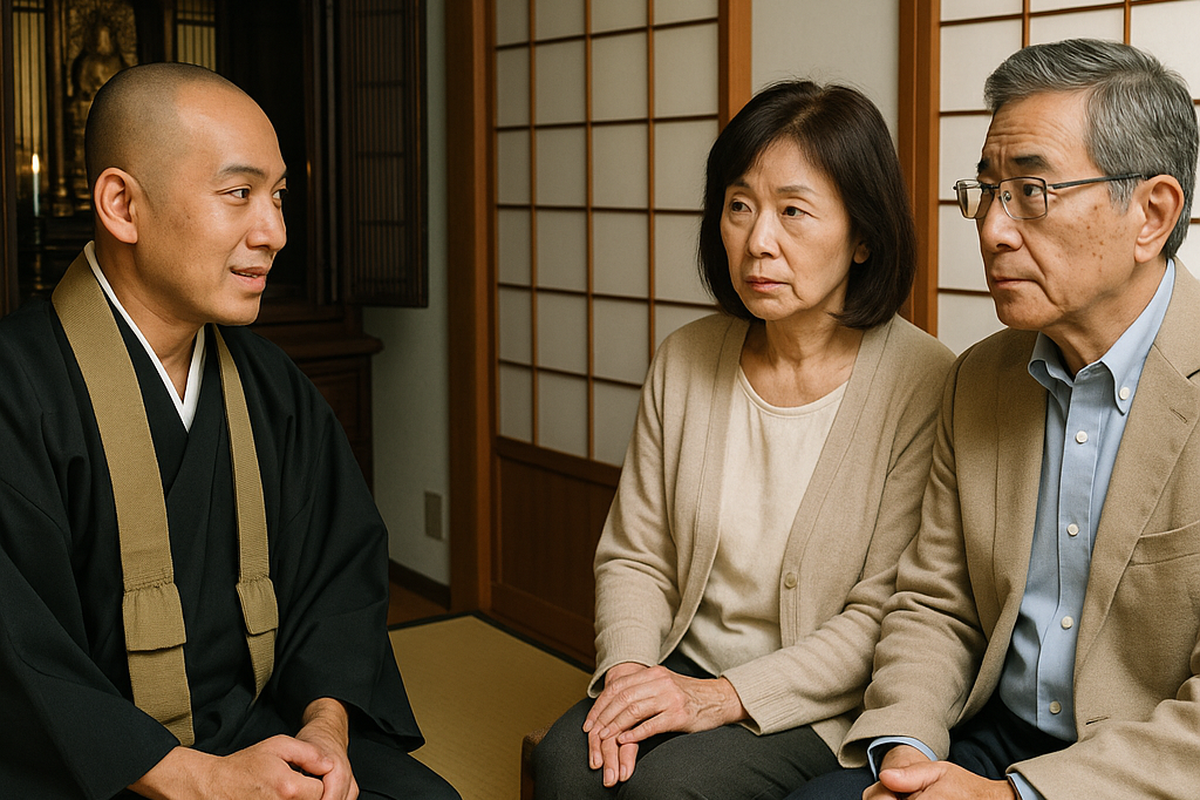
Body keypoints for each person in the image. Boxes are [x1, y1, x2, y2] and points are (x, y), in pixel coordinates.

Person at [0, 63, 459, 800]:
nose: (274, 232)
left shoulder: (273, 387)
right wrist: (198, 779)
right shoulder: (17, 391)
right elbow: (19, 658)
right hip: (92, 768)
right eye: (239, 193)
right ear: (122, 205)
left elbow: (340, 579)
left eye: (278, 196)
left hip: (262, 730)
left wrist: (324, 731)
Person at [786, 38, 1200, 800]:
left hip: (1140, 770)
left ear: (1152, 213)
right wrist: (908, 751)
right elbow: (936, 603)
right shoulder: (979, 378)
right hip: (991, 735)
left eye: (1032, 192)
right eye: (986, 191)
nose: (992, 229)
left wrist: (1012, 798)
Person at [531, 80, 955, 799]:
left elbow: (886, 614)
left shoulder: (925, 381)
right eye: (739, 206)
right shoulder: (686, 358)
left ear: (863, 237)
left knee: (670, 790)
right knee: (567, 767)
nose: (759, 241)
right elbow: (636, 555)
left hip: (817, 703)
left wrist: (723, 697)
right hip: (679, 666)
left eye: (793, 211)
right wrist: (629, 674)